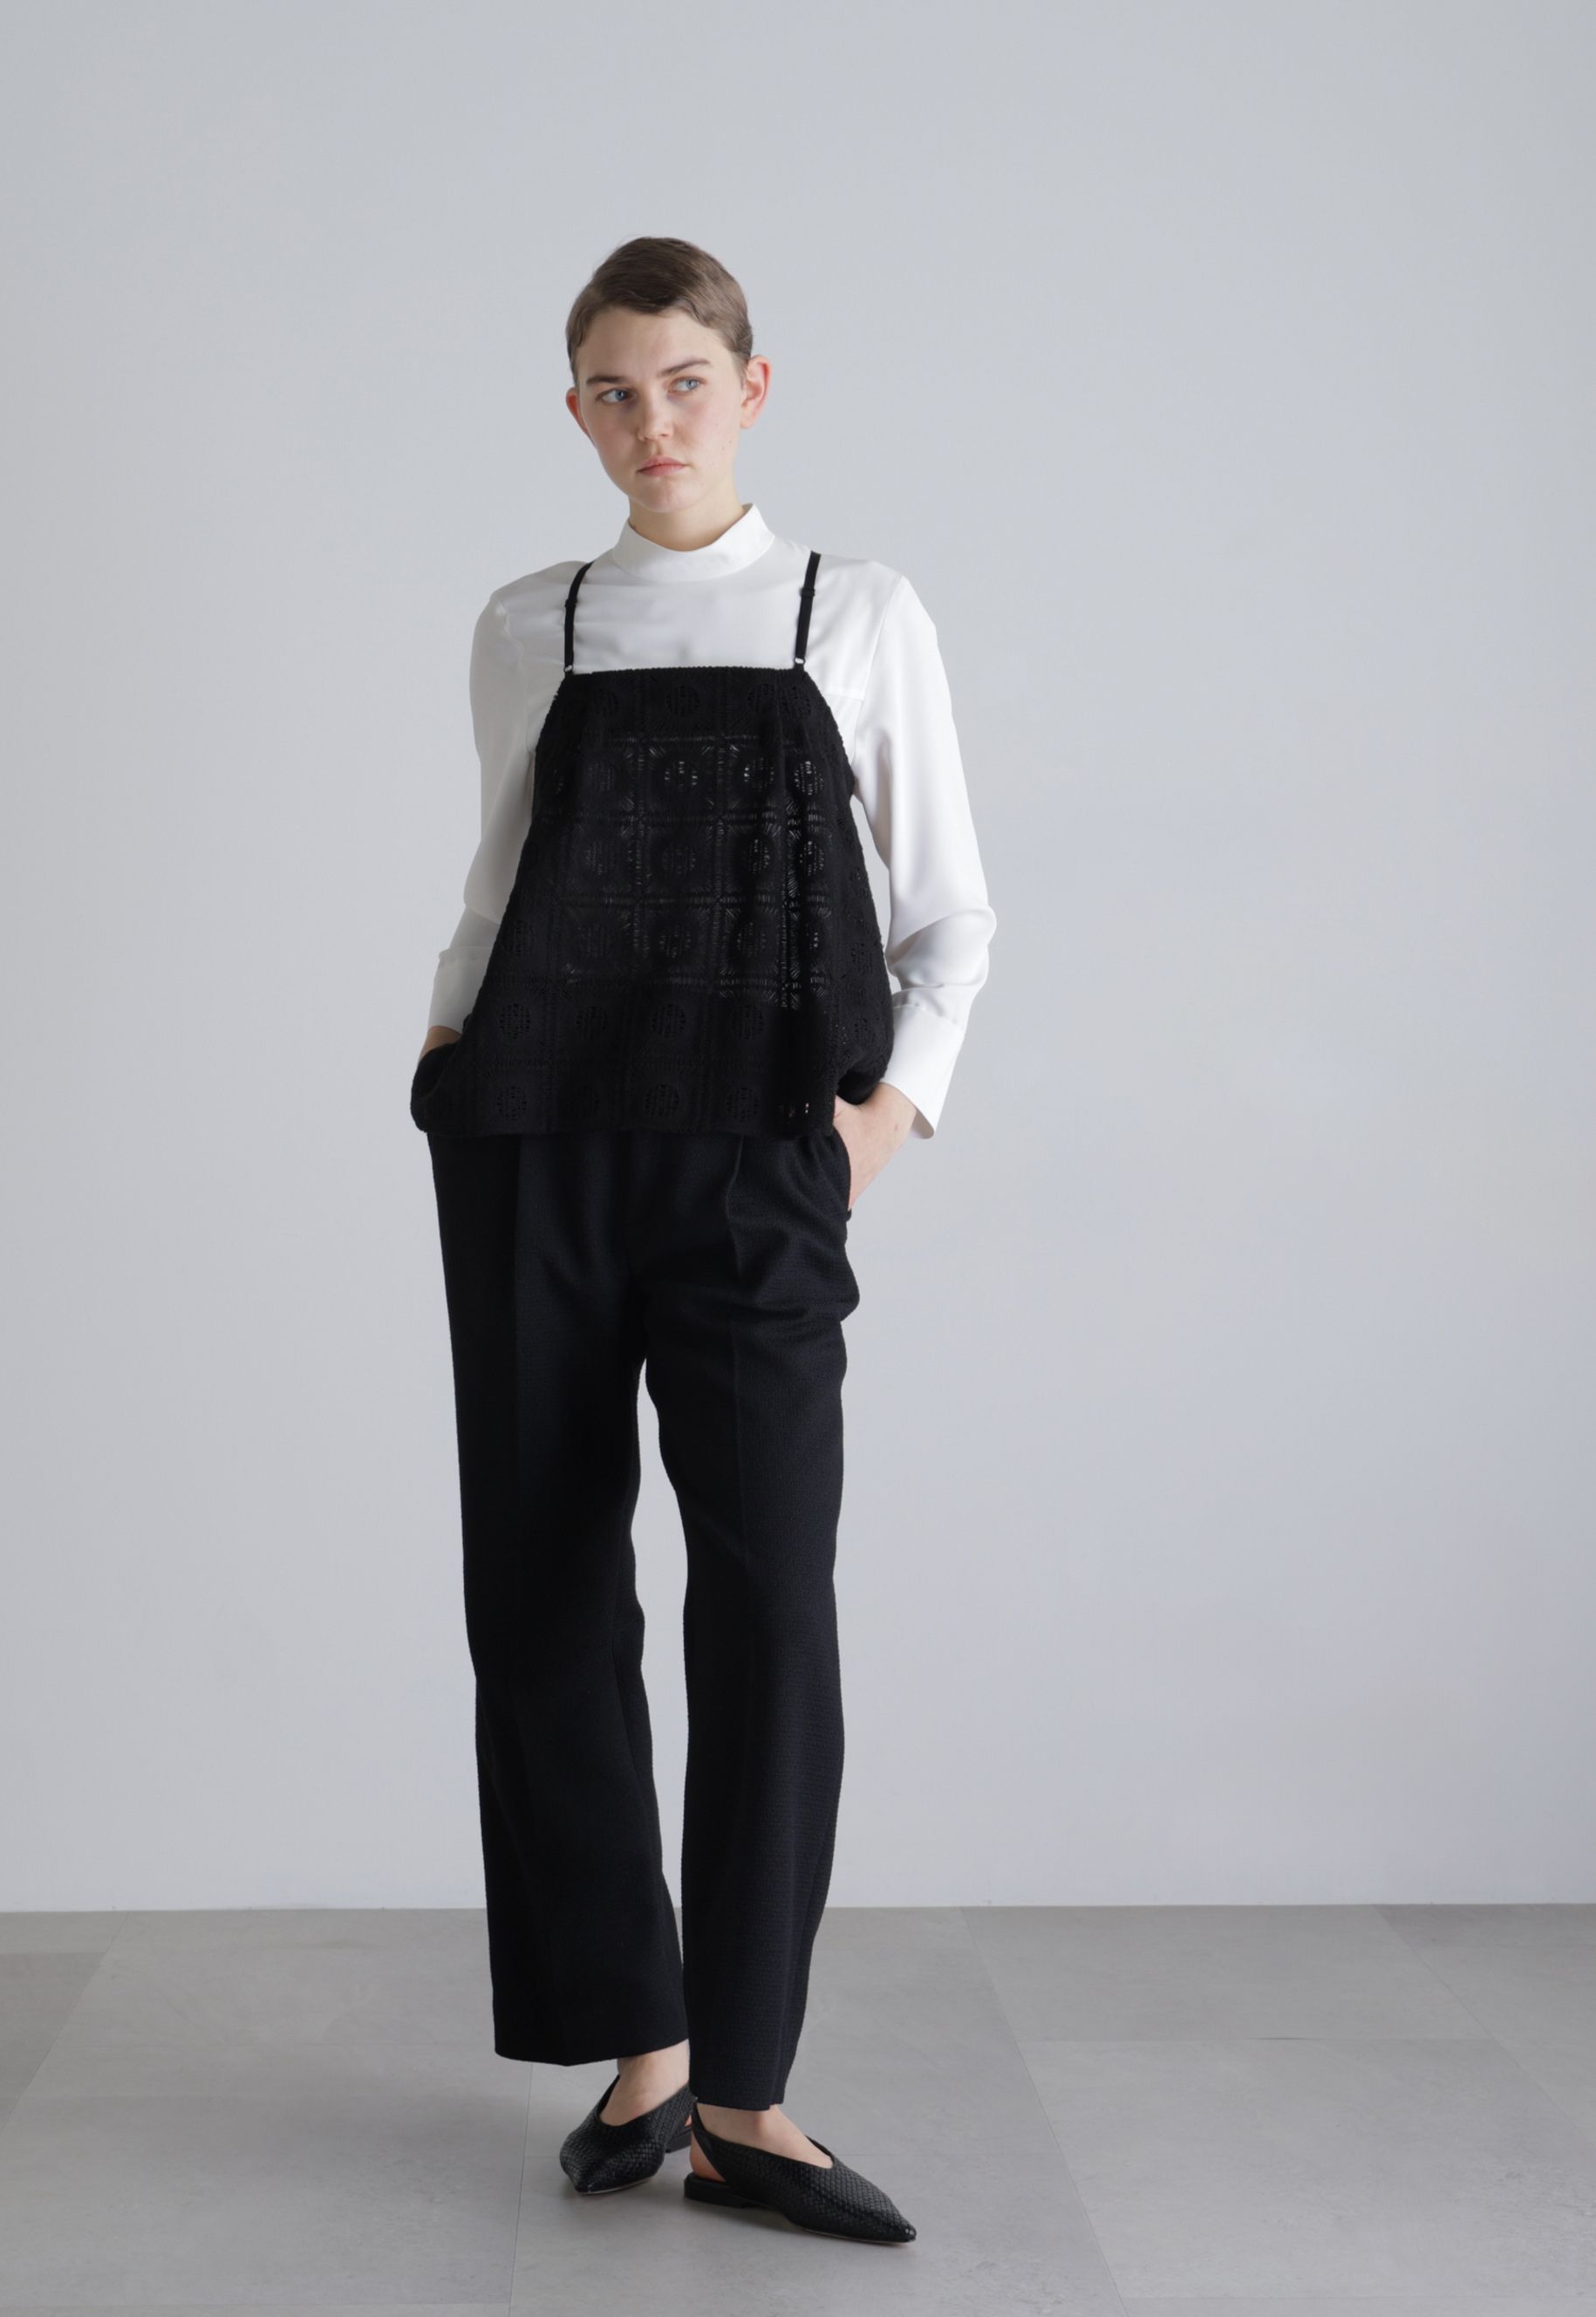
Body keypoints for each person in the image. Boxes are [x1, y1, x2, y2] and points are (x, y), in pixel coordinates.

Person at [410, 236, 996, 2246]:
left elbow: (953, 914)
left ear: (751, 386)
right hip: (534, 1147)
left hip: (756, 1162)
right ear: (574, 409)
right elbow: (499, 882)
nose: (648, 421)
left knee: (766, 1601)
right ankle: (642, 2045)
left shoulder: (856, 609)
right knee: (541, 1592)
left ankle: (749, 2089)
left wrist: (881, 1123)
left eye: (681, 380)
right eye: (610, 389)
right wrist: (446, 1046)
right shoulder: (535, 619)